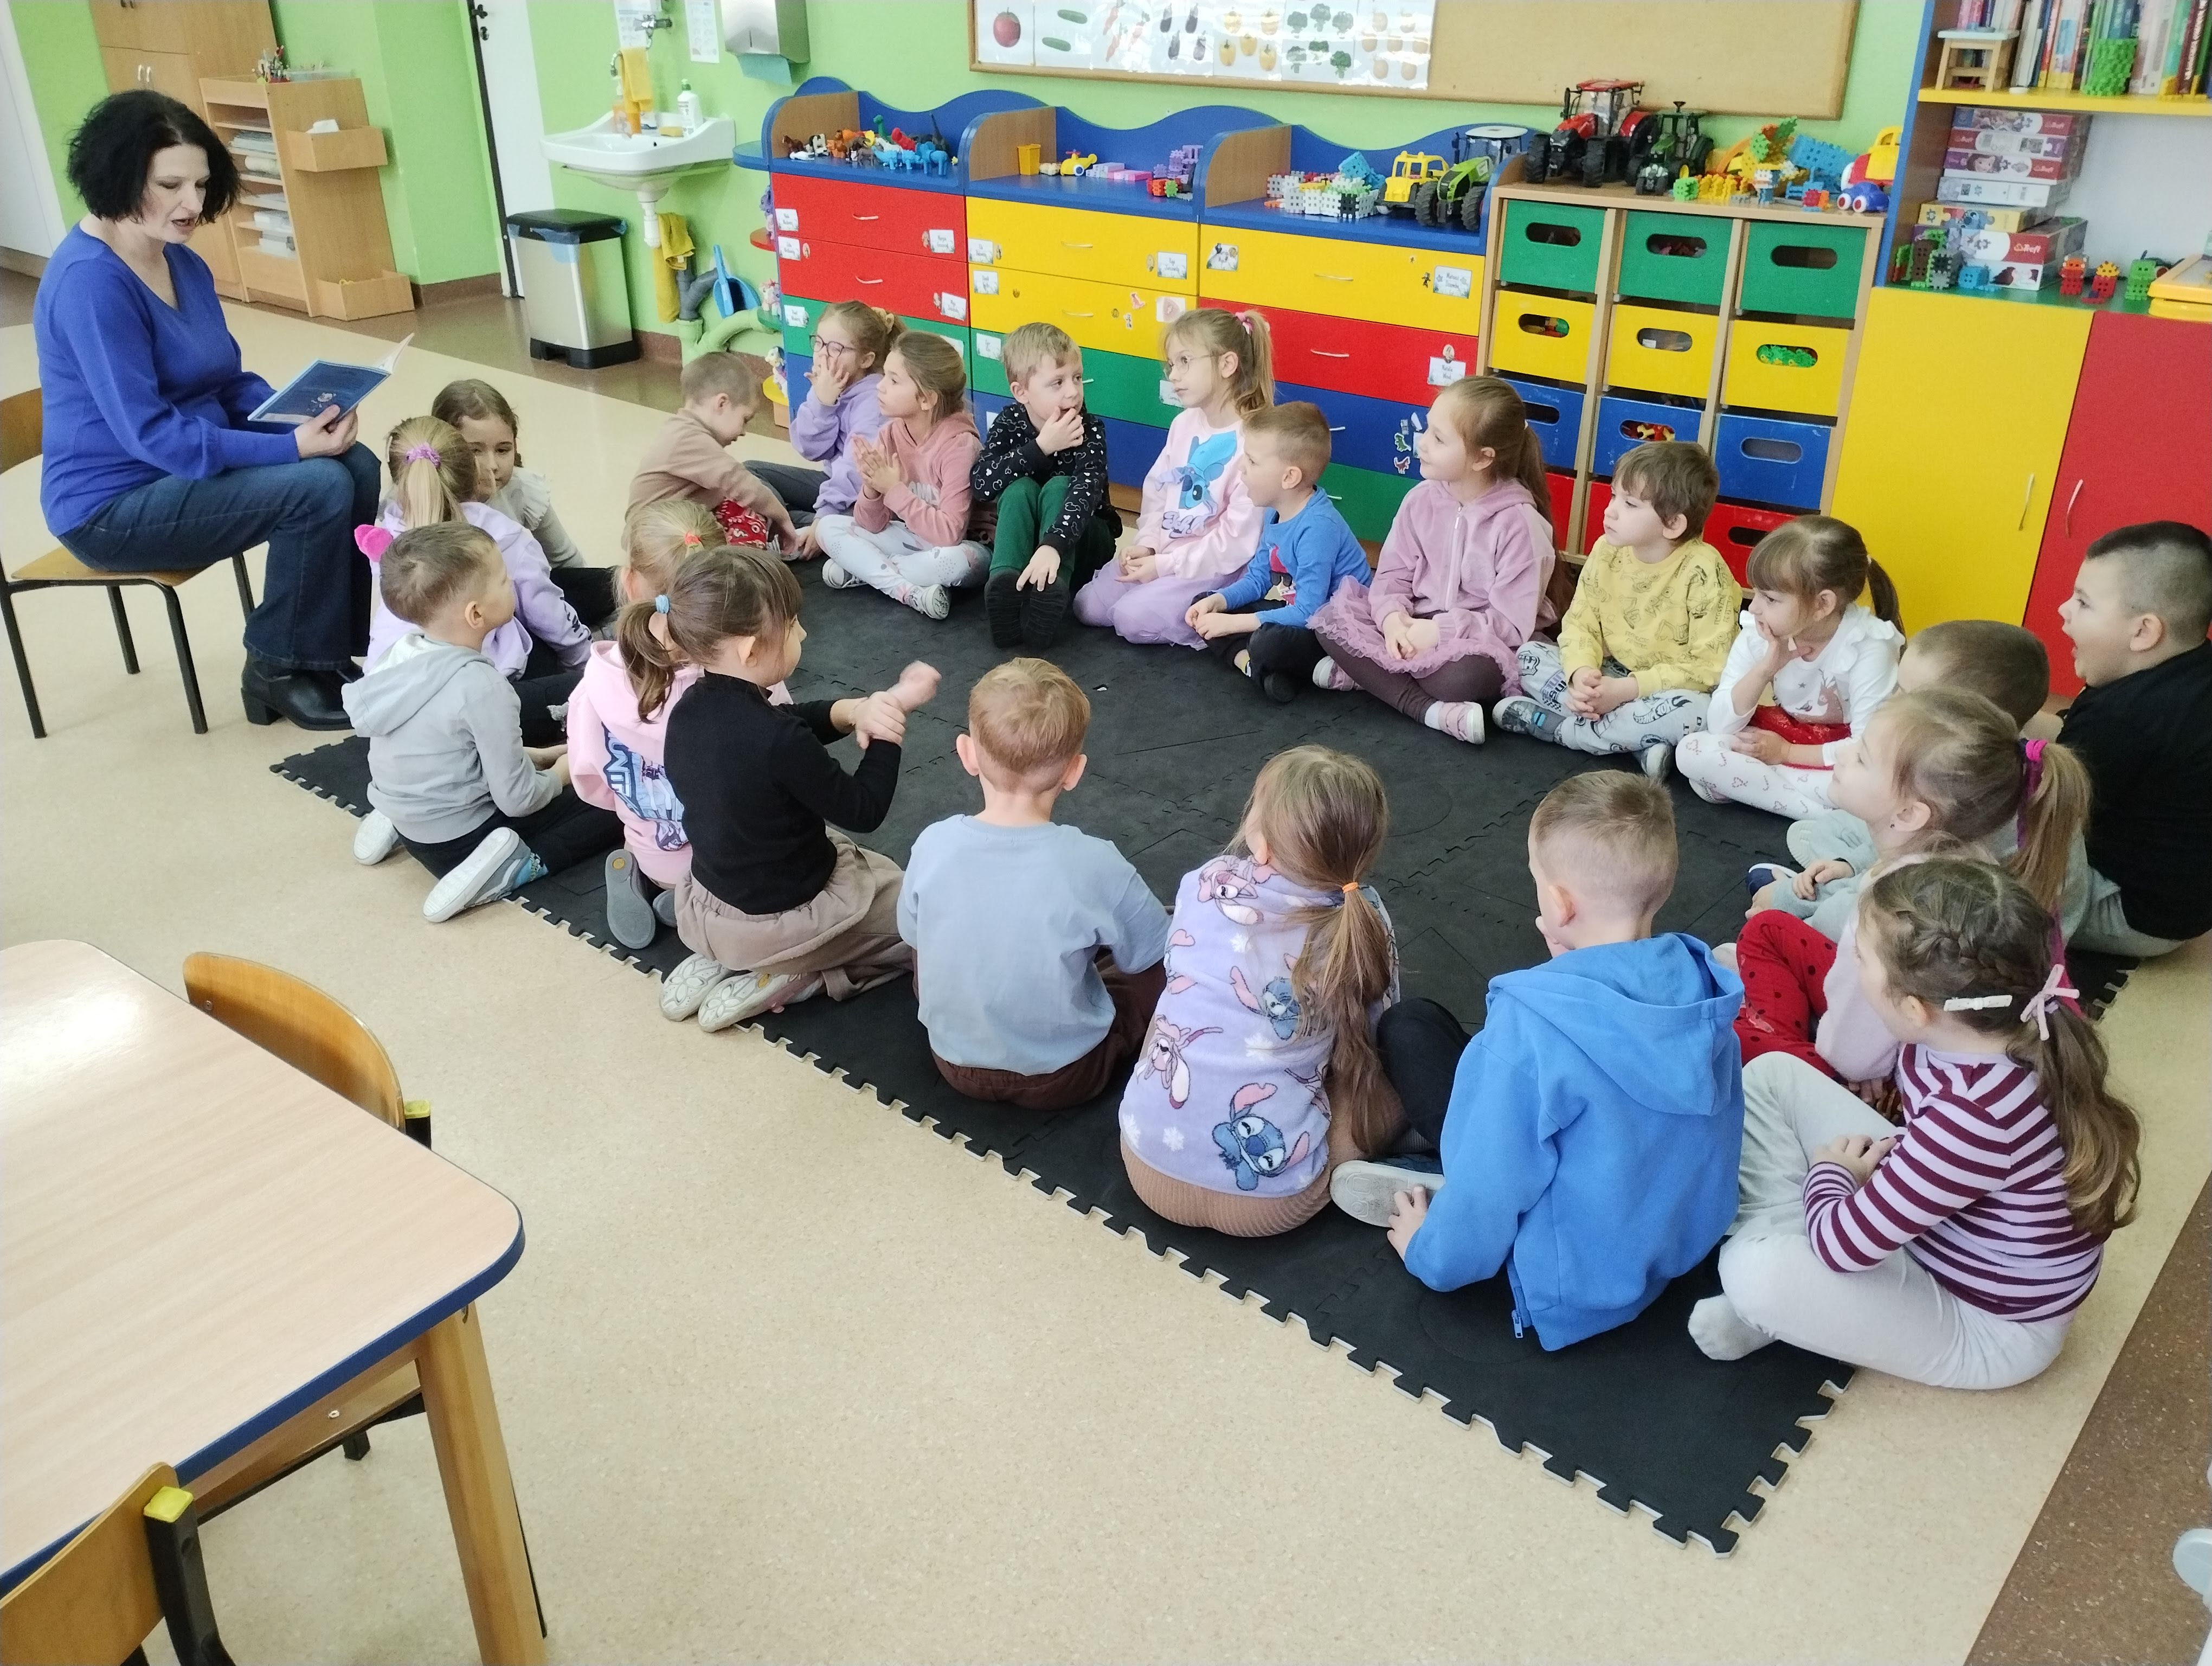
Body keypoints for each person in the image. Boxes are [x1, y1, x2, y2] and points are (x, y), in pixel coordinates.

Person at [1330, 773, 1745, 1349]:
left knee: (1409, 1029)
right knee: (1454, 1044)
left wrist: (1430, 1253)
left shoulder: (1528, 1029)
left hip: (1571, 1276)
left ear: (1561, 903)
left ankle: (1431, 1184)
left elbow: (1492, 1185)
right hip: (1673, 1242)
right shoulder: (1703, 994)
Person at [1692, 858, 2140, 1391]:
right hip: (1948, 1231)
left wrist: (1832, 1173)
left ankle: (1781, 1297)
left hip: (1990, 1328)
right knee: (1772, 1077)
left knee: (1752, 1272)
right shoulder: (1984, 1032)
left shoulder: (1976, 1115)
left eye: (1860, 960)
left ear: (1914, 1008)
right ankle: (1805, 1286)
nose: (1850, 966)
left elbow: (1843, 1247)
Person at [33, 90, 381, 729]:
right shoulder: (91, 283)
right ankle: (278, 668)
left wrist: (294, 416)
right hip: (110, 507)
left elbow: (225, 381)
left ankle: (328, 656)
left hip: (180, 475)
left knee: (354, 465)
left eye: (200, 183)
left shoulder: (181, 262)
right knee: (316, 485)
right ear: (119, 177)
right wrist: (289, 448)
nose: (192, 204)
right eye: (170, 186)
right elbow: (152, 436)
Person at [1729, 688, 2088, 1086]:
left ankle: (1797, 1059)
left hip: (1892, 1066)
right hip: (1913, 1025)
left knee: (1723, 1039)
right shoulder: (1962, 860)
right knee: (1767, 929)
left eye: (1862, 757)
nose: (1844, 753)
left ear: (1908, 814)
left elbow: (1851, 1055)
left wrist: (1855, 1066)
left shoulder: (1892, 907)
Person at [1117, 746, 1400, 1238]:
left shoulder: (1206, 882)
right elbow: (1377, 1031)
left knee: (1178, 1018)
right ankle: (1399, 1152)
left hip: (1145, 1160)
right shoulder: (1364, 920)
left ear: (1261, 841)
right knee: (1389, 1069)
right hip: (1272, 1205)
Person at [655, 548, 941, 1031]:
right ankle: (801, 975)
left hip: (708, 908)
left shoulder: (688, 712)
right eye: (792, 625)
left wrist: (853, 711)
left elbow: (780, 723)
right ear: (750, 650)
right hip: (787, 922)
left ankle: (724, 958)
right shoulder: (778, 742)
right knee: (927, 922)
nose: (803, 633)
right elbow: (864, 809)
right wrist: (887, 730)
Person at [900, 660, 1171, 1110]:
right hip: (1066, 1075)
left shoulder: (932, 844)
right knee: (1154, 952)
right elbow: (1156, 958)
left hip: (953, 1060)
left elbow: (916, 944)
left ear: (967, 754)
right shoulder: (1096, 863)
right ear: (1074, 771)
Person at [341, 523, 621, 924]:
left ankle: (396, 817)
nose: (512, 584)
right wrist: (565, 770)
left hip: (411, 824)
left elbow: (451, 747)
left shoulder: (402, 654)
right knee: (614, 797)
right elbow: (519, 800)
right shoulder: (482, 686)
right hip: (463, 843)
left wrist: (539, 757)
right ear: (476, 614)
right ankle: (515, 865)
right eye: (505, 580)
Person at [566, 502, 790, 952]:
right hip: (735, 867)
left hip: (654, 850)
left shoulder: (595, 686)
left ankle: (650, 878)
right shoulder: (750, 676)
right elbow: (786, 762)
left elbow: (590, 781)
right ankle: (695, 904)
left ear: (630, 582)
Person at [1308, 376, 1556, 747]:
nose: (1421, 443)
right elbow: (1391, 577)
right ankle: (1426, 707)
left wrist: (1438, 633)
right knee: (1330, 621)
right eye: (1427, 429)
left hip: (1474, 640)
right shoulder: (1420, 500)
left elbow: (1510, 624)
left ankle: (1380, 680)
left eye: (1439, 439)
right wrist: (1393, 621)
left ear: (1483, 458)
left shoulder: (1520, 525)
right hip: (1413, 625)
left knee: (1466, 679)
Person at [1493, 440, 1736, 780]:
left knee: (1699, 713)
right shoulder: (1607, 550)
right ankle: (1636, 743)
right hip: (1611, 674)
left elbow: (1711, 668)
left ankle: (1562, 730)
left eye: (1630, 504)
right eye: (1613, 496)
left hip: (1666, 691)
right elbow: (1581, 623)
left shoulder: (1705, 572)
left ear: (1673, 524)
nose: (1610, 511)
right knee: (1527, 656)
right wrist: (1581, 674)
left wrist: (1628, 691)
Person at [362, 415, 588, 746]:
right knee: (593, 689)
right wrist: (587, 661)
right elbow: (548, 617)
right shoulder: (500, 535)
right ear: (470, 471)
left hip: (386, 706)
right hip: (467, 710)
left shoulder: (386, 536)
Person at [1787, 618, 2053, 880]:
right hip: (1905, 838)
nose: (1891, 701)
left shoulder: (1977, 806)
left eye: (1908, 695)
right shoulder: (1973, 762)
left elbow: (1907, 864)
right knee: (1829, 828)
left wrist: (1846, 876)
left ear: (1956, 722)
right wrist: (1854, 862)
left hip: (1919, 881)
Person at [1674, 516, 1904, 818]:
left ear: (1822, 604)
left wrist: (1786, 753)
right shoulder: (1759, 633)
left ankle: (1759, 791)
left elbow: (1866, 749)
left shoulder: (1869, 646)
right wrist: (1765, 670)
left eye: (1770, 599)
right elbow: (1721, 726)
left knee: (1874, 786)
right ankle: (1826, 814)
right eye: (1757, 592)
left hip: (1839, 756)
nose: (1754, 607)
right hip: (1785, 736)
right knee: (1691, 751)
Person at [2055, 520, 2212, 956]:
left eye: (2083, 602)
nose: (2064, 611)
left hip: (2130, 912)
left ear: (2144, 632)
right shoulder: (2192, 667)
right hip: (2185, 904)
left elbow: (2041, 813)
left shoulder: (2122, 718)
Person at [1073, 308, 1272, 648]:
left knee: (1131, 620)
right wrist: (1148, 543)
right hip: (1166, 551)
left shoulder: (1253, 441)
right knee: (1086, 607)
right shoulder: (1184, 423)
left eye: (1185, 362)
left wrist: (1164, 566)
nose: (1174, 376)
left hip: (1212, 566)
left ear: (1227, 364)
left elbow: (1235, 542)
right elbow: (1158, 492)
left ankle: (1221, 614)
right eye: (1171, 365)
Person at [1185, 402, 1371, 704]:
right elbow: (1257, 580)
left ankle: (1271, 663)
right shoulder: (1274, 511)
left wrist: (1233, 624)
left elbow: (1309, 612)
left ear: (1289, 478)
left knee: (1267, 642)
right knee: (1203, 604)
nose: (1241, 467)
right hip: (1296, 612)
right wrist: (1219, 601)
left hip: (1334, 630)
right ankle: (1254, 668)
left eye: (1252, 461)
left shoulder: (1318, 527)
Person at [812, 334, 989, 620]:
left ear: (926, 399)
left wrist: (893, 489)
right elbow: (871, 525)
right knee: (827, 527)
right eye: (885, 376)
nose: (880, 386)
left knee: (954, 561)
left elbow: (949, 536)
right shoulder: (890, 434)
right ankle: (907, 591)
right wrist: (872, 489)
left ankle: (867, 571)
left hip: (962, 549)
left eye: (894, 381)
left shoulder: (960, 446)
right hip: (912, 542)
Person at [969, 322, 1120, 652]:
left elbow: (1085, 494)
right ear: (1021, 392)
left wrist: (1053, 546)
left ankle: (1051, 592)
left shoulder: (1090, 429)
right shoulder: (1009, 422)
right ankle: (1005, 584)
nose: (1073, 392)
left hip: (1083, 544)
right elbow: (981, 484)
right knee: (1019, 489)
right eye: (1058, 382)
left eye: (1077, 378)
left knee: (1059, 487)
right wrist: (1041, 448)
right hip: (1029, 550)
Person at [433, 377, 618, 629]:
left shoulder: (525, 490)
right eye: (474, 451)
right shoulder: (429, 499)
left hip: (526, 602)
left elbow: (566, 562)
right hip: (469, 620)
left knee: (614, 583)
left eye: (503, 450)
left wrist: (592, 601)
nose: (492, 465)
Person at [761, 301, 896, 555]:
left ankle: (815, 535)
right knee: (752, 474)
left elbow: (857, 471)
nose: (822, 355)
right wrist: (822, 403)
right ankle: (798, 531)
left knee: (816, 523)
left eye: (836, 348)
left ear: (866, 359)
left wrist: (823, 517)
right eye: (819, 343)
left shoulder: (874, 400)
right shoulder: (830, 386)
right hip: (836, 485)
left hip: (863, 497)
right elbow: (809, 449)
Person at [628, 352, 798, 553]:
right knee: (750, 514)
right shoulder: (689, 439)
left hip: (669, 525)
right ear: (722, 404)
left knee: (748, 507)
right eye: (745, 419)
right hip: (656, 541)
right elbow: (740, 483)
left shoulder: (683, 429)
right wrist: (782, 517)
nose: (744, 432)